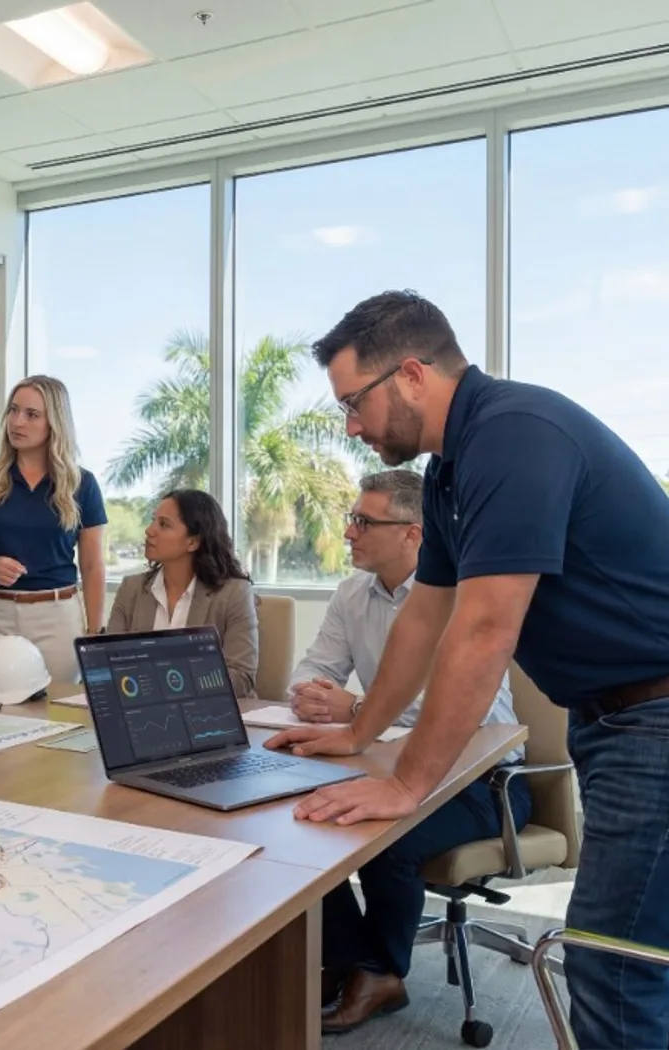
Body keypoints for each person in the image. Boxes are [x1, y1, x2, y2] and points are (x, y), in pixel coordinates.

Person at [265, 290, 669, 1050]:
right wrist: (360, 732)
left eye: (355, 402)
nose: (351, 426)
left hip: (655, 718)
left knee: (616, 964)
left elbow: (483, 630)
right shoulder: (454, 472)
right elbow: (426, 619)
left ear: (412, 375)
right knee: (631, 949)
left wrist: (407, 784)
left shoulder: (513, 437)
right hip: (616, 717)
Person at [286, 468, 527, 1033]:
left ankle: (380, 973)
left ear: (414, 534)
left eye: (364, 522)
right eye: (352, 519)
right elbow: (314, 667)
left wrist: (358, 710)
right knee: (300, 822)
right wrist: (312, 695)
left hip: (485, 786)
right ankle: (350, 958)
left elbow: (471, 716)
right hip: (390, 766)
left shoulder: (464, 599)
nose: (349, 532)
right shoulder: (351, 594)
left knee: (378, 840)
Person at [0, 376, 106, 690]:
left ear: (55, 423)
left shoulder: (82, 484)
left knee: (52, 717)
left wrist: (95, 630)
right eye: (13, 410)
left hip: (57, 619)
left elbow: (92, 566)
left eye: (32, 414)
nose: (17, 422)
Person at [106, 489, 256, 698]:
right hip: (144, 708)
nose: (150, 531)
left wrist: (168, 683)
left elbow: (241, 677)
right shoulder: (131, 589)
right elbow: (110, 663)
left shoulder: (233, 593)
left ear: (193, 542)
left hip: (212, 712)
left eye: (164, 525)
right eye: (153, 521)